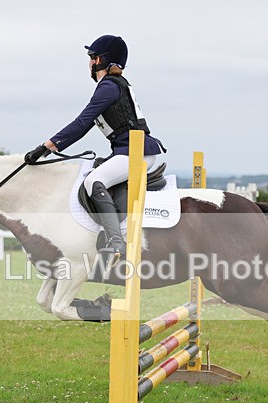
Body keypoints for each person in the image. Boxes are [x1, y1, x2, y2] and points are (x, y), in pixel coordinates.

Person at [24, 35, 165, 258]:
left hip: (136, 152)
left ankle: (117, 243)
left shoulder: (108, 86)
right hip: (129, 150)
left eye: (91, 57)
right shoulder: (113, 85)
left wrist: (46, 146)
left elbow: (82, 123)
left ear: (100, 60)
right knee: (92, 170)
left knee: (93, 181)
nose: (89, 63)